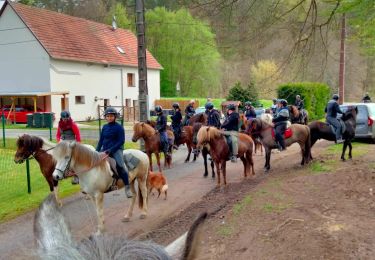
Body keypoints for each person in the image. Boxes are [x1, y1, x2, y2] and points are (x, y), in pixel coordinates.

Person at [96, 107, 133, 198]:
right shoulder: (104, 127)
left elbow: (121, 141)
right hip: (105, 150)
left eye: (111, 116)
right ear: (105, 117)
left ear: (115, 117)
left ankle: (127, 187)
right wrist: (96, 151)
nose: (109, 118)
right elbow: (101, 140)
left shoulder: (119, 128)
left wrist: (111, 150)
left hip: (116, 150)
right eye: (107, 116)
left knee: (120, 165)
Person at [56, 110, 81, 184]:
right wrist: (59, 141)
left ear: (69, 118)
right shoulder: (60, 124)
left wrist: (75, 143)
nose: (65, 120)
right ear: (61, 118)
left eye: (67, 119)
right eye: (64, 119)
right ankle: (59, 171)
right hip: (63, 143)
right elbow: (58, 135)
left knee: (73, 158)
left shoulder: (73, 125)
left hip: (72, 142)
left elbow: (78, 136)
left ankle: (76, 175)